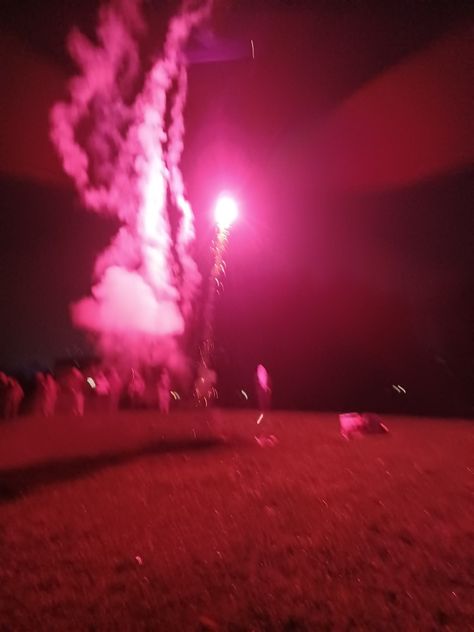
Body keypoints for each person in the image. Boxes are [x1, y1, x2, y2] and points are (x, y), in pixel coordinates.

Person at [254, 364, 277, 446]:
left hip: (265, 399)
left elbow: (269, 385)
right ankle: (261, 434)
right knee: (262, 414)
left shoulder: (266, 377)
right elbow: (259, 387)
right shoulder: (258, 378)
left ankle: (267, 435)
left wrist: (267, 390)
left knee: (265, 414)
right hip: (263, 401)